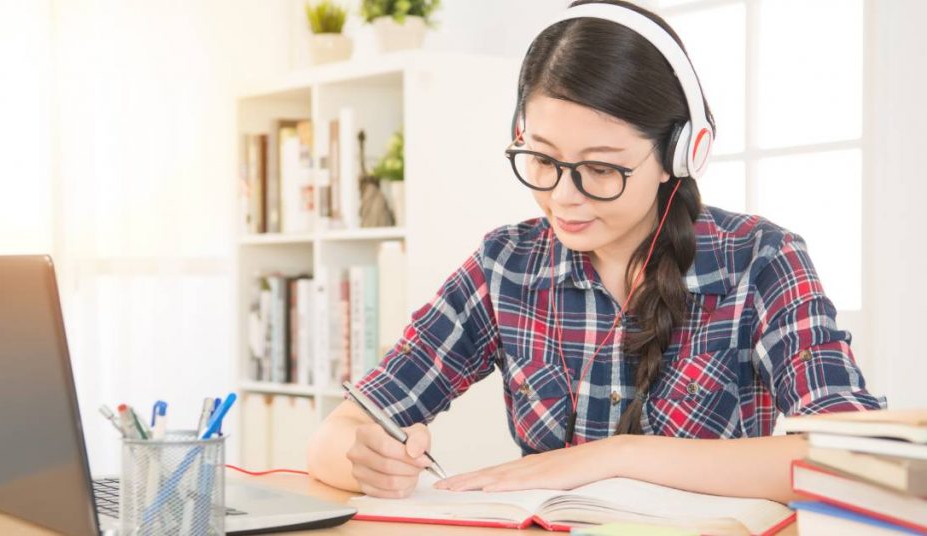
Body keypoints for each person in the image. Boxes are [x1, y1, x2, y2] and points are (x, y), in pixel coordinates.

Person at [306, 0, 886, 504]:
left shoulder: (760, 259)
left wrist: (613, 456)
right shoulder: (505, 264)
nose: (563, 197)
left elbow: (851, 458)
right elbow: (337, 436)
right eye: (542, 159)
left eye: (601, 168)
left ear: (681, 154)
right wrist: (367, 457)